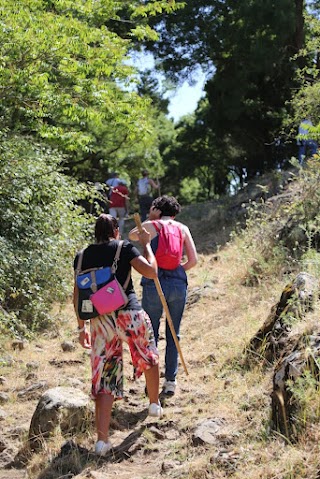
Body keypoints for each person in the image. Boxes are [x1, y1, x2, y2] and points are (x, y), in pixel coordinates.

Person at [73, 214, 163, 456]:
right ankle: (154, 405)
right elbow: (152, 271)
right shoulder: (124, 248)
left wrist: (82, 328)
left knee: (104, 375)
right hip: (129, 313)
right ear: (115, 230)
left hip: (100, 320)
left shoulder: (82, 256)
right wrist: (146, 244)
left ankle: (102, 442)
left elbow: (77, 295)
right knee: (148, 354)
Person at [129, 196, 198, 397]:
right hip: (178, 283)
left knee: (151, 333)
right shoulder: (182, 228)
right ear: (175, 212)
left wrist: (148, 222)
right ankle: (170, 382)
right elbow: (193, 260)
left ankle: (152, 382)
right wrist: (176, 271)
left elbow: (133, 235)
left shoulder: (152, 225)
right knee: (173, 334)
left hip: (154, 282)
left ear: (158, 210)